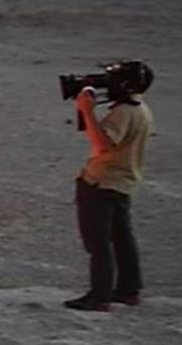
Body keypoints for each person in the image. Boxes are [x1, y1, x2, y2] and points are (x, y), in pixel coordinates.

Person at [66, 64, 154, 312]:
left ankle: (100, 296)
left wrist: (87, 110)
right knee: (122, 237)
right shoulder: (141, 109)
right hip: (123, 182)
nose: (108, 84)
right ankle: (129, 289)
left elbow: (102, 144)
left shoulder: (124, 113)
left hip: (102, 181)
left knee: (98, 242)